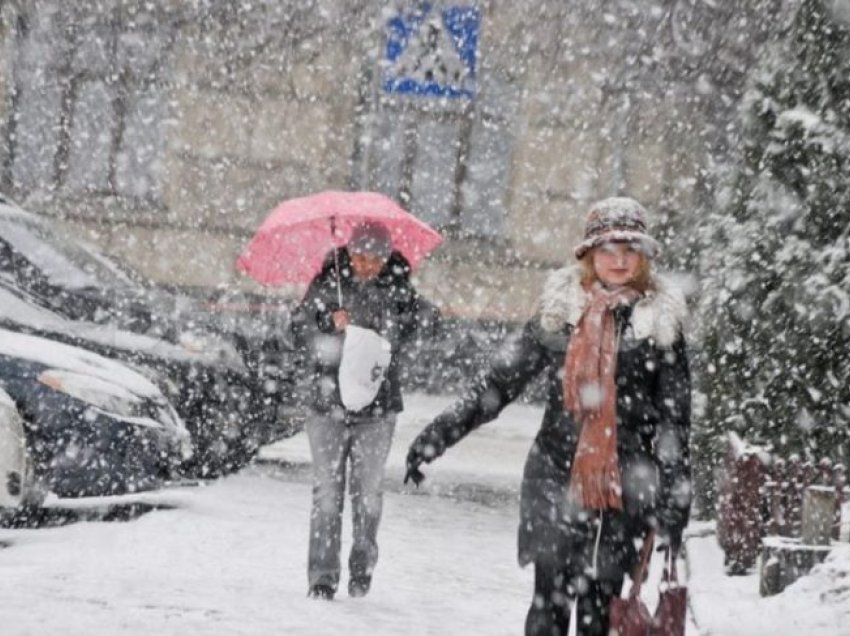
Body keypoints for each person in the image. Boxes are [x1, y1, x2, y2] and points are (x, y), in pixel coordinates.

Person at [405, 197, 691, 635]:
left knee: (601, 610)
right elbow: (499, 384)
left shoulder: (660, 325)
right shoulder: (560, 314)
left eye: (629, 250)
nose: (618, 259)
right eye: (608, 249)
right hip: (554, 475)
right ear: (589, 255)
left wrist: (674, 502)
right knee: (548, 606)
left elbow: (675, 421)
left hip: (625, 486)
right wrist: (437, 436)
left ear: (643, 257)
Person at [292, 220, 438, 601]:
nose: (367, 264)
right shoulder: (327, 285)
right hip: (327, 405)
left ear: (388, 257)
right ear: (349, 252)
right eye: (360, 256)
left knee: (369, 495)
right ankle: (322, 579)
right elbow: (297, 329)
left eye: (376, 258)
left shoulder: (399, 288)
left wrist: (398, 324)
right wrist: (328, 322)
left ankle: (362, 566)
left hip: (378, 406)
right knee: (327, 494)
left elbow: (432, 322)